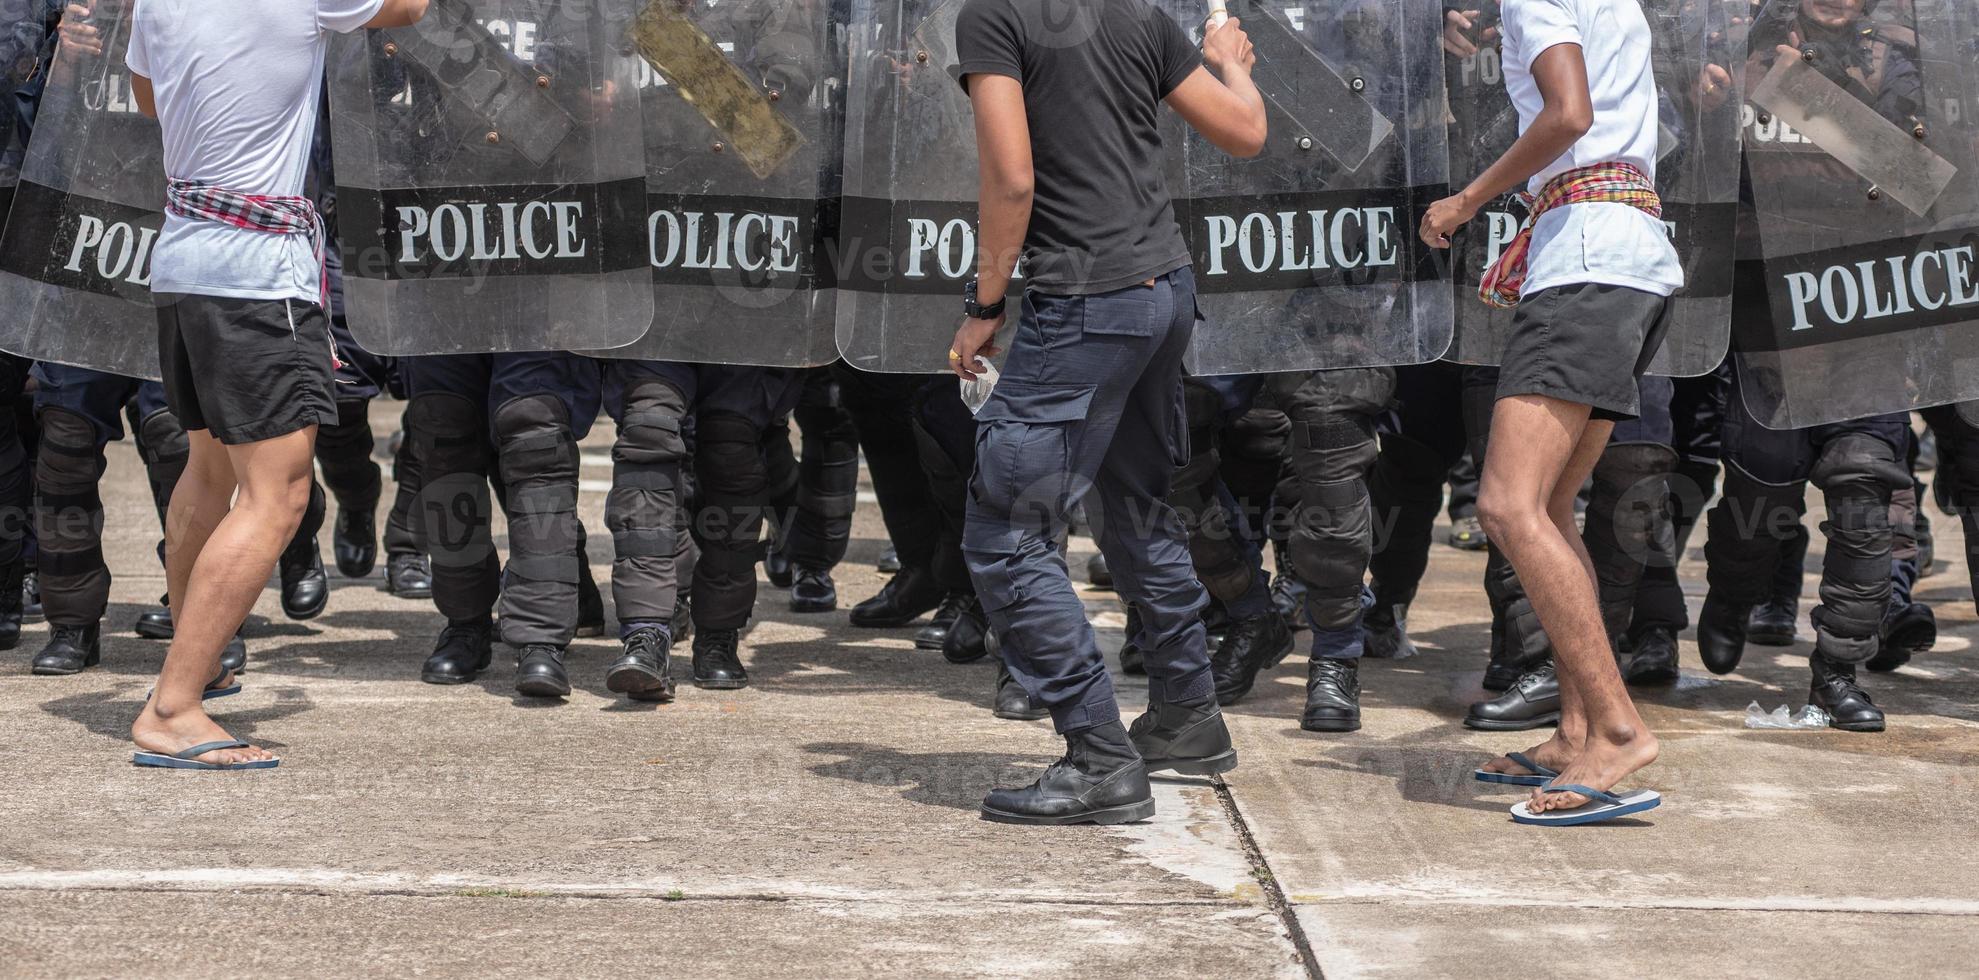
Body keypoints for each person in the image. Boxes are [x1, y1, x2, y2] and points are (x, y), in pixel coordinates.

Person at [949, 0, 1266, 825]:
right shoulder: (1137, 13)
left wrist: (985, 301)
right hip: (1162, 292)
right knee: (1135, 512)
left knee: (1005, 531)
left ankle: (1096, 756)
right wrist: (1230, 59)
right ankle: (1185, 715)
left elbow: (1011, 176)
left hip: (1085, 304)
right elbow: (1243, 132)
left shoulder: (993, 16)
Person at [125, 0, 429, 771]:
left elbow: (149, 96)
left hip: (187, 252)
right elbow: (413, 8)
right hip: (257, 276)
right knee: (278, 495)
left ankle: (204, 660)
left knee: (209, 469)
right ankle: (174, 706)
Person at [1419, 0, 1677, 823]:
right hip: (1622, 250)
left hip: (1588, 260)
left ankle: (1615, 729)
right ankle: (1573, 730)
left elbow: (1568, 114)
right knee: (1550, 506)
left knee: (1504, 504)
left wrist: (1466, 201)